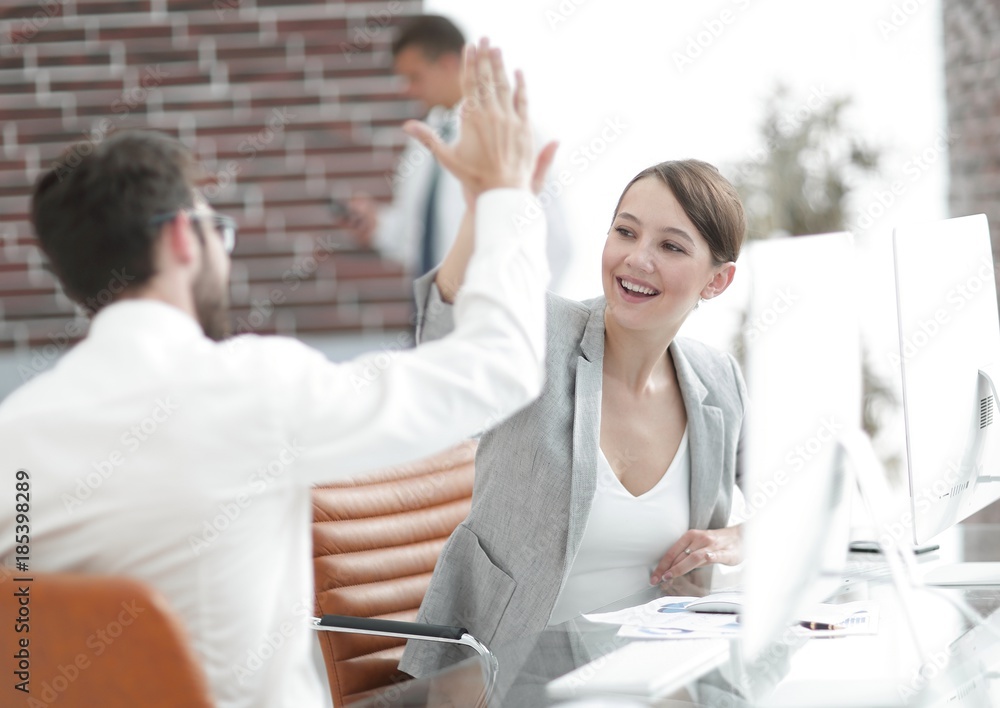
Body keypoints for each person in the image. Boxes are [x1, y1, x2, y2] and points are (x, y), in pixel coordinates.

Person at [0, 40, 546, 708]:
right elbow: (498, 370)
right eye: (217, 229)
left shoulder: (16, 432)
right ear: (181, 237)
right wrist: (505, 197)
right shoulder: (250, 389)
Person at [397, 156, 749, 677]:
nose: (637, 259)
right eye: (625, 232)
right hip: (502, 681)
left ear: (717, 281)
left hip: (653, 677)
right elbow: (442, 336)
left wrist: (741, 538)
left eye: (671, 246)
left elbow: (803, 497)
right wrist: (480, 208)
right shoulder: (542, 333)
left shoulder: (717, 379)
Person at [341, 14, 573, 290]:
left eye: (415, 77)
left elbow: (556, 244)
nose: (408, 90)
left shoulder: (509, 135)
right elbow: (415, 239)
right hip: (433, 309)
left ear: (448, 64)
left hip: (491, 308)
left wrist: (517, 308)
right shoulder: (424, 140)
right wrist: (377, 226)